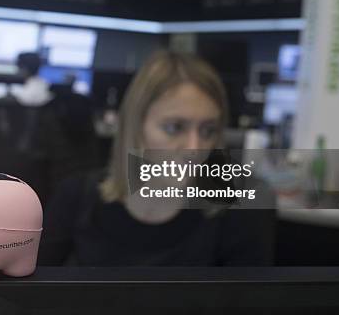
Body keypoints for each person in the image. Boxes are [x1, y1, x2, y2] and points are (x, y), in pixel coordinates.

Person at [38, 50, 276, 266]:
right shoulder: (77, 198)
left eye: (208, 131)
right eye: (174, 128)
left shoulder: (238, 212)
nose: (194, 148)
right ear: (136, 127)